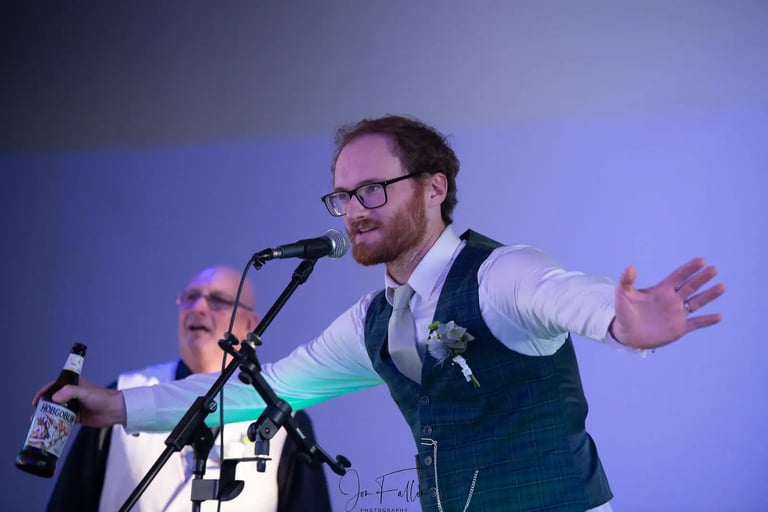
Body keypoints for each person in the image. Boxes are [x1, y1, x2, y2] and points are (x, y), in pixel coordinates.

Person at [40, 116, 725, 512]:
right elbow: (251, 391)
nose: (355, 209)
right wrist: (115, 406)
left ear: (435, 188)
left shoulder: (500, 272)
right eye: (341, 196)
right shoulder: (373, 320)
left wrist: (623, 322)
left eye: (373, 188)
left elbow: (565, 293)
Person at [46, 266, 331, 512]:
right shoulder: (122, 394)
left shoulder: (282, 418)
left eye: (217, 300)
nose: (198, 308)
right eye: (190, 298)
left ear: (249, 326)